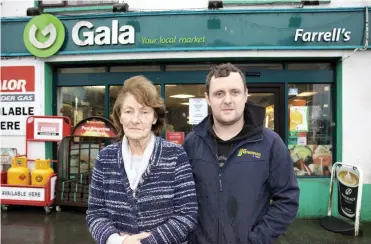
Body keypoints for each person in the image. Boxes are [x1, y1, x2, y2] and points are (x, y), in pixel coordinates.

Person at [184, 63, 300, 244]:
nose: (227, 100)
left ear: (246, 94)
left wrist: (258, 239)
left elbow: (287, 199)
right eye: (219, 93)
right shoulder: (191, 144)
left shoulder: (270, 144)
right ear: (207, 98)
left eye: (235, 92)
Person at [87, 75, 198, 244]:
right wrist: (118, 241)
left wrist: (143, 243)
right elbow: (95, 213)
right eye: (129, 111)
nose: (135, 120)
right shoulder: (105, 157)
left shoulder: (175, 155)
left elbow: (187, 214)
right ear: (120, 116)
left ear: (154, 118)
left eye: (144, 112)